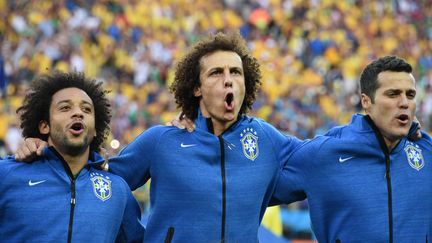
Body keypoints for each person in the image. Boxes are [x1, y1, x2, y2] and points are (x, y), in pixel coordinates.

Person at [14, 32, 303, 242]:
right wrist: (44, 150)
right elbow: (95, 179)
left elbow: (318, 163)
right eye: (216, 72)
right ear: (196, 88)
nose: (228, 79)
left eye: (236, 72)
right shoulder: (162, 140)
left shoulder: (265, 138)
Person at [270, 55, 432, 242]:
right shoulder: (326, 153)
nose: (404, 102)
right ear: (366, 102)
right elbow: (250, 191)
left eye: (410, 95)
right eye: (393, 94)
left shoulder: (426, 153)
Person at [0, 71, 144, 242]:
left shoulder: (118, 190)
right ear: (44, 125)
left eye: (86, 109)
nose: (78, 113)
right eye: (65, 107)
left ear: (96, 129)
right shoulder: (7, 175)